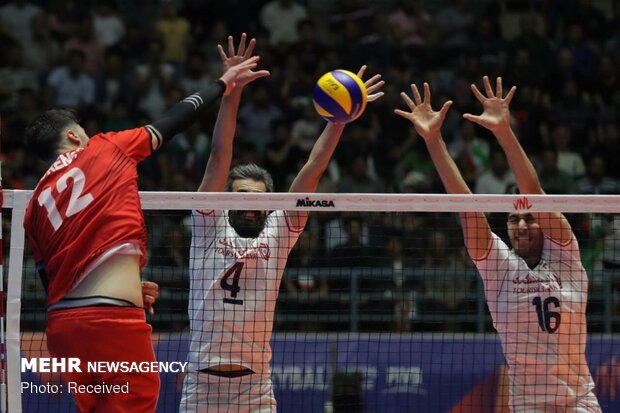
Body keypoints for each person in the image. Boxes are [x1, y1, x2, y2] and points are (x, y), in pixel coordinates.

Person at [22, 50, 263, 413]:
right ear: (73, 136)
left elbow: (51, 276)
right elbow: (176, 117)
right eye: (83, 132)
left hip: (63, 330)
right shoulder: (106, 148)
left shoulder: (34, 203)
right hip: (111, 324)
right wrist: (222, 85)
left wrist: (129, 286)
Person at [180, 34, 384, 412]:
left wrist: (340, 119)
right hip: (201, 387)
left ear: (271, 204)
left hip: (256, 389)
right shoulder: (209, 225)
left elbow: (314, 167)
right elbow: (220, 153)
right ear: (226, 200)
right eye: (240, 195)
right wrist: (232, 90)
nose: (250, 204)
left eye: (259, 198)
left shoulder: (278, 233)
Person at [395, 76, 601, 412]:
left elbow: (534, 194)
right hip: (528, 405)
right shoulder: (499, 267)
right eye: (513, 220)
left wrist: (504, 132)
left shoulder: (565, 256)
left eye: (529, 218)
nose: (521, 224)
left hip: (579, 402)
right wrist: (433, 141)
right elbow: (467, 208)